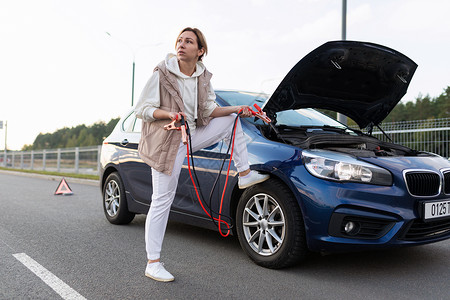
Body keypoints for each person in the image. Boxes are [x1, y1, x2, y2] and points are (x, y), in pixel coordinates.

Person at [134, 27, 269, 282]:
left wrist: (239, 108)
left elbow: (208, 110)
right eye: (179, 40)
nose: (181, 44)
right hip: (168, 140)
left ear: (200, 51)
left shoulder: (202, 77)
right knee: (162, 199)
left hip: (192, 136)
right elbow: (142, 109)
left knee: (231, 117)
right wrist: (170, 114)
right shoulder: (162, 73)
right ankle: (153, 263)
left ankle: (245, 173)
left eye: (188, 41)